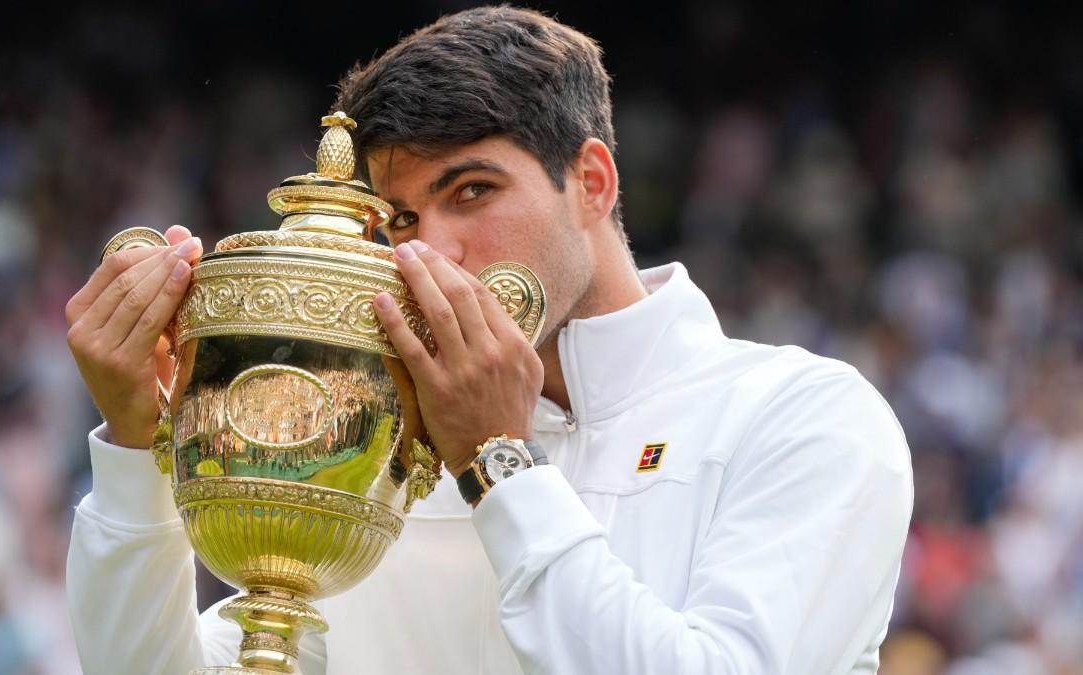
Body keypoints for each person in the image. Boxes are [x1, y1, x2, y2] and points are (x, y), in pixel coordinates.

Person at [65, 6, 913, 674]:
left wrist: (500, 465)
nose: (428, 250)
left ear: (592, 181)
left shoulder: (806, 416)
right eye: (397, 218)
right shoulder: (384, 456)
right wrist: (137, 447)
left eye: (471, 190)